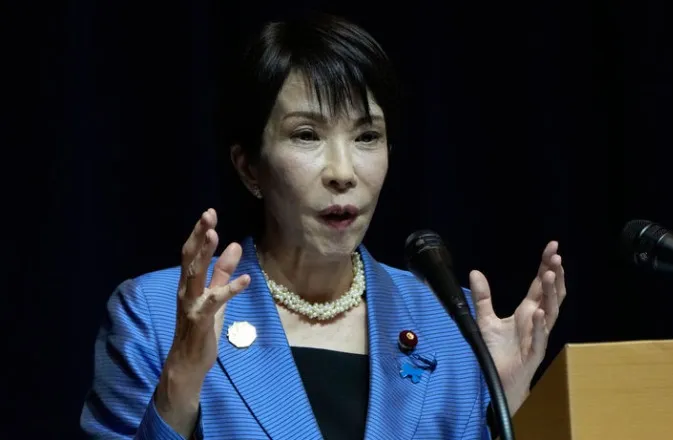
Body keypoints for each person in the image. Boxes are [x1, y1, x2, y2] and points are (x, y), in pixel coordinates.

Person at [80, 12, 566, 440]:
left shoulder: (448, 325)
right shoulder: (155, 315)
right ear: (249, 168)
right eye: (307, 135)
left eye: (367, 136)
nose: (342, 172)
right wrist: (181, 382)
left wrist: (506, 402)